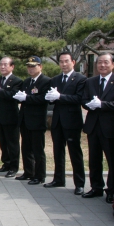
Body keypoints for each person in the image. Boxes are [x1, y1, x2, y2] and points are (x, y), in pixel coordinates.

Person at [81, 52, 114, 203]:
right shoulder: (91, 81)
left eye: (106, 62)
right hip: (94, 126)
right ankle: (96, 187)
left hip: (112, 128)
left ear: (113, 64)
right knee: (94, 159)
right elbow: (84, 99)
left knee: (113, 161)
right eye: (99, 62)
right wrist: (88, 104)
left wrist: (102, 105)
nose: (102, 65)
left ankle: (112, 190)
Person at [44, 52, 86, 195]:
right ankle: (58, 178)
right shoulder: (55, 79)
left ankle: (79, 183)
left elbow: (79, 98)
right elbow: (51, 98)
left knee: (75, 152)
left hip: (72, 120)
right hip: (57, 120)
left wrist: (60, 96)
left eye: (66, 61)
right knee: (57, 151)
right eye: (61, 62)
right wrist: (50, 98)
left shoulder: (80, 79)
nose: (63, 64)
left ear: (73, 62)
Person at [13, 56, 51, 185]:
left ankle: (40, 175)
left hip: (37, 120)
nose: (30, 68)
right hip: (25, 119)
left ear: (40, 66)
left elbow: (43, 99)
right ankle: (28, 172)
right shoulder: (27, 81)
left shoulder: (45, 81)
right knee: (26, 148)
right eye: (29, 66)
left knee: (38, 150)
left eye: (33, 66)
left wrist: (27, 98)